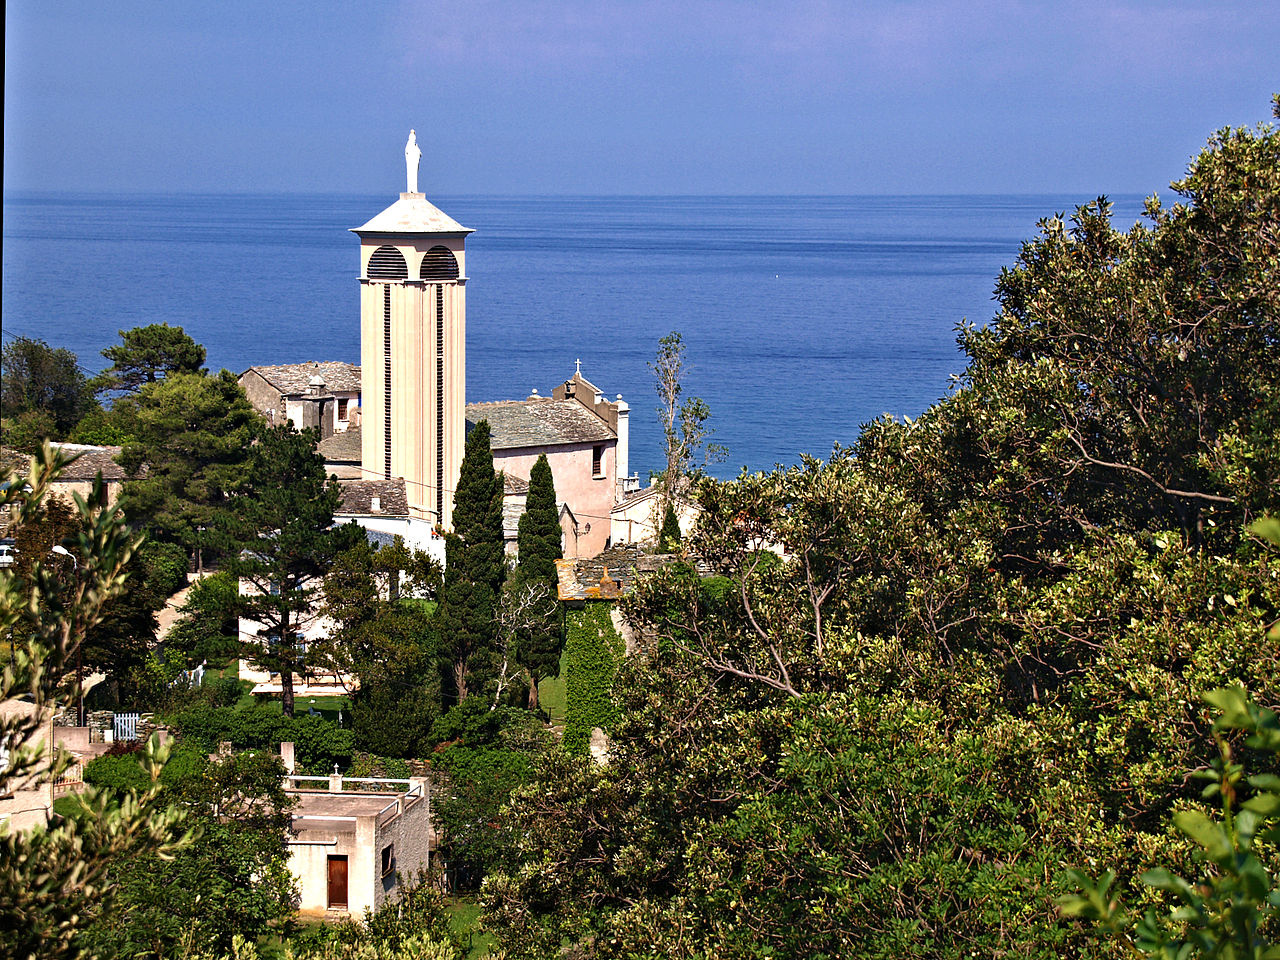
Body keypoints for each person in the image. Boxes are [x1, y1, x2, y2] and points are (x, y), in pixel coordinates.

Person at [405, 129, 422, 194]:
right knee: (410, 176)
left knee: (415, 177)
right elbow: (407, 154)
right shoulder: (408, 146)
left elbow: (418, 154)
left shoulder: (415, 147)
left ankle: (415, 189)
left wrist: (418, 152)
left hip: (415, 164)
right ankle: (410, 189)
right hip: (411, 164)